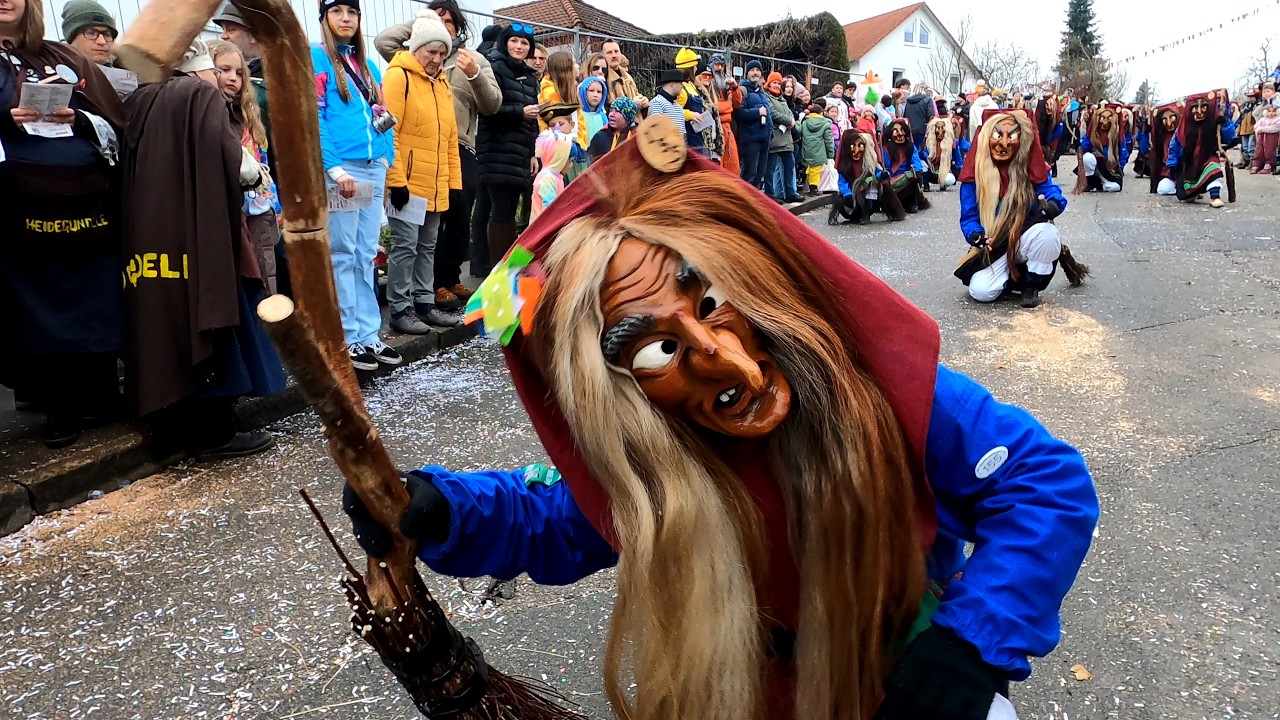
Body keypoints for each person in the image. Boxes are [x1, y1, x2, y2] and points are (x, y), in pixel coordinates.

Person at [344, 132, 1098, 720]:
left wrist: (969, 645)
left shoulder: (881, 395)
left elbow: (1045, 484)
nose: (724, 360)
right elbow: (564, 514)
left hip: (901, 688)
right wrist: (437, 508)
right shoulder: (655, 457)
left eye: (711, 305)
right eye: (661, 348)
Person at [122, 40, 283, 459]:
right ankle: (214, 431)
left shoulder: (140, 99)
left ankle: (172, 428)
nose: (221, 77)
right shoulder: (197, 95)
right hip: (200, 234)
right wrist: (253, 171)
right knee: (213, 315)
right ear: (198, 68)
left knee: (164, 324)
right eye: (215, 68)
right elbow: (236, 160)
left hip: (153, 239)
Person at [0, 0, 125, 448]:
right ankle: (59, 410)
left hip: (87, 203)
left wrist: (80, 117)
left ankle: (102, 396)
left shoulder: (63, 57)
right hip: (19, 209)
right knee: (39, 309)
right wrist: (4, 119)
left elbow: (114, 118)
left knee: (97, 300)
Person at [374, 0, 501, 312]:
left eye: (448, 21)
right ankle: (414, 299)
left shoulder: (468, 62)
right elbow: (382, 43)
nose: (437, 57)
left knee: (448, 227)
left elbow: (492, 104)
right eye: (438, 20)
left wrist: (474, 75)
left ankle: (437, 288)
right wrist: (422, 24)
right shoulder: (406, 67)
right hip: (416, 161)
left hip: (455, 152)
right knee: (411, 241)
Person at [310, 0, 398, 371]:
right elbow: (315, 116)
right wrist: (333, 169)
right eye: (337, 11)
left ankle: (369, 334)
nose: (346, 19)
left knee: (366, 252)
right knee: (343, 252)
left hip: (371, 166)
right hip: (344, 168)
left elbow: (383, 113)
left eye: (352, 12)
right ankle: (347, 335)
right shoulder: (316, 58)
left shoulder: (369, 64)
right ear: (324, 18)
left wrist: (385, 157)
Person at [381, 13, 463, 334]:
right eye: (431, 51)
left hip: (436, 184)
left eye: (442, 53)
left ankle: (424, 304)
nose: (437, 58)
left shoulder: (442, 84)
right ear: (416, 48)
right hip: (409, 183)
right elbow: (390, 132)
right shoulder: (398, 76)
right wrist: (396, 180)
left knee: (428, 246)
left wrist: (453, 184)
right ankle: (400, 309)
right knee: (405, 246)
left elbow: (450, 140)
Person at [956, 109, 1087, 309]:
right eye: (998, 135)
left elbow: (1050, 190)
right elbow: (969, 216)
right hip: (995, 244)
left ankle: (1031, 285)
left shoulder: (1031, 169)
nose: (1004, 143)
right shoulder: (973, 176)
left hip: (1025, 236)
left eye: (1013, 136)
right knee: (981, 292)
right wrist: (975, 234)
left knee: (1048, 235)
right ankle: (1010, 278)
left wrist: (1053, 205)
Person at [213, 1, 291, 297]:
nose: (225, 35)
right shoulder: (210, 107)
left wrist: (278, 205)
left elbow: (273, 153)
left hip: (265, 202)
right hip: (235, 205)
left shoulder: (269, 87)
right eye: (224, 70)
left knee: (271, 266)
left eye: (231, 29)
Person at [475, 21, 539, 266]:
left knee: (510, 211)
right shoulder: (494, 67)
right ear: (504, 43)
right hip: (496, 149)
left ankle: (505, 267)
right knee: (500, 210)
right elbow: (488, 108)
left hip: (519, 152)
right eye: (514, 41)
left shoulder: (530, 77)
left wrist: (532, 153)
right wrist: (519, 112)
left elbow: (533, 121)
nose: (519, 46)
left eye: (524, 43)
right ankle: (498, 269)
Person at [1165, 91, 1236, 208]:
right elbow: (1175, 145)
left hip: (1208, 158)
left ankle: (1215, 196)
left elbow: (1230, 138)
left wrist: (1225, 122)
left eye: (1203, 107)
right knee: (1185, 196)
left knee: (1214, 171)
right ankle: (1195, 192)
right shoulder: (1183, 128)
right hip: (1189, 164)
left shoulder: (1214, 123)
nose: (1199, 111)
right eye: (1195, 108)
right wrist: (1172, 163)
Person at [831, 129, 902, 225]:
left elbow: (877, 172)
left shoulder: (870, 163)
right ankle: (854, 213)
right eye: (852, 146)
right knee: (842, 201)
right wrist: (847, 194)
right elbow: (842, 181)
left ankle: (866, 214)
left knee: (871, 185)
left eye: (860, 146)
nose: (856, 150)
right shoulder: (844, 166)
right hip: (850, 197)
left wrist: (882, 175)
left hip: (867, 196)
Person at [763, 71, 802, 203]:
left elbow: (789, 113)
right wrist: (788, 121)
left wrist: (790, 119)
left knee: (789, 166)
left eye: (779, 83)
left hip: (786, 138)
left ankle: (790, 192)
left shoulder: (782, 99)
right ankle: (770, 194)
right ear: (769, 83)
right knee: (771, 168)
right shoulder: (766, 97)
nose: (777, 85)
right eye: (774, 82)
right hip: (774, 138)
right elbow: (773, 113)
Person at [1075, 102, 1128, 193]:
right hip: (1096, 168)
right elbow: (1084, 147)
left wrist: (1120, 168)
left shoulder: (1117, 135)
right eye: (1103, 117)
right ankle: (1090, 181)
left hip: (1110, 170)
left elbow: (1123, 153)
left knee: (1114, 187)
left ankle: (1101, 183)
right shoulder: (1093, 133)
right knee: (1087, 157)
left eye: (1108, 118)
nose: (1105, 121)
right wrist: (1089, 132)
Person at [531, 106, 574, 220]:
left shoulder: (556, 176)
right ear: (559, 158)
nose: (571, 165)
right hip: (542, 232)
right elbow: (549, 212)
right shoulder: (548, 179)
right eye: (568, 161)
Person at [734, 60, 771, 190]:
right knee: (749, 173)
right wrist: (757, 112)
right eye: (752, 70)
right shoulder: (742, 90)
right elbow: (739, 114)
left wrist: (770, 134)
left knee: (759, 175)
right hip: (750, 140)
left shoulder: (762, 93)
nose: (755, 73)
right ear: (747, 73)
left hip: (764, 139)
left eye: (757, 70)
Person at [881, 117, 930, 211]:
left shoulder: (910, 147)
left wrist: (918, 170)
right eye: (895, 131)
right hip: (890, 181)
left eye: (902, 130)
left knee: (913, 178)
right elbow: (882, 166)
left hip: (906, 180)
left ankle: (911, 203)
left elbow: (916, 160)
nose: (900, 134)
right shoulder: (885, 149)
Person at [709, 53, 742, 174]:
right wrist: (728, 106)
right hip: (716, 129)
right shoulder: (708, 84)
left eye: (722, 66)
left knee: (732, 164)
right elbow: (715, 108)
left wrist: (735, 88)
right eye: (717, 65)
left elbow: (737, 103)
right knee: (718, 165)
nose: (719, 69)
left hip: (728, 129)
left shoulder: (726, 86)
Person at [60, 0, 115, 67]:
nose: (102, 42)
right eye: (91, 33)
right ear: (71, 38)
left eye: (107, 35)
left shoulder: (125, 74)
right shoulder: (54, 74)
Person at [601, 39, 647, 113]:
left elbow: (637, 94)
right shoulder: (603, 78)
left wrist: (644, 101)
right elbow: (608, 108)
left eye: (616, 51)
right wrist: (632, 104)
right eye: (609, 52)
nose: (614, 55)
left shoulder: (628, 77)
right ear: (603, 56)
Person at [799, 99, 833, 195]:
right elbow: (828, 141)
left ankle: (807, 186)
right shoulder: (826, 124)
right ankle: (813, 189)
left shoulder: (805, 123)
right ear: (821, 113)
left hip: (806, 150)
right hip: (819, 151)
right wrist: (830, 154)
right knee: (816, 170)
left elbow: (798, 130)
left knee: (809, 168)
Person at [587, 96, 637, 162]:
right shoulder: (600, 137)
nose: (611, 115)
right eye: (611, 111)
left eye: (617, 111)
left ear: (628, 116)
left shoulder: (636, 136)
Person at [1149, 102, 1180, 195]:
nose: (1169, 122)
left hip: (1184, 172)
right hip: (1168, 172)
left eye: (1172, 117)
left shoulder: (1184, 134)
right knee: (1163, 189)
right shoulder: (1161, 137)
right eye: (1164, 119)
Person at [923, 115, 956, 191]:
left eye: (943, 128)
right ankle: (926, 186)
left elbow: (958, 158)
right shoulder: (927, 142)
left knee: (950, 179)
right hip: (931, 171)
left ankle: (943, 184)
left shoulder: (952, 143)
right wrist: (926, 157)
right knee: (923, 166)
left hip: (944, 171)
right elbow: (921, 154)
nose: (940, 131)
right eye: (938, 128)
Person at [903, 82, 936, 154]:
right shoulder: (928, 100)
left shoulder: (908, 101)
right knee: (922, 151)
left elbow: (905, 115)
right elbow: (931, 116)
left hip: (910, 129)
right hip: (922, 130)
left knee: (911, 150)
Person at [578, 74, 609, 152]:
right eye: (591, 91)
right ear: (583, 91)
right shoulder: (578, 115)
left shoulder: (603, 116)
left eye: (599, 92)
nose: (595, 95)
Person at [1250, 104, 1279, 174]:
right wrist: (1259, 129)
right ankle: (1257, 165)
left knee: (1269, 151)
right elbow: (1256, 126)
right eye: (1269, 111)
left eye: (1273, 111)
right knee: (1259, 150)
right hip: (1261, 137)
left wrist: (1262, 129)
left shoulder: (1278, 119)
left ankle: (1269, 165)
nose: (1271, 113)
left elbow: (1275, 128)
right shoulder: (1263, 119)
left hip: (1271, 138)